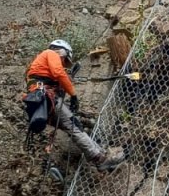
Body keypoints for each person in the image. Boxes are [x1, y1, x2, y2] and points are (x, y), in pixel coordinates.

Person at [25, 39, 125, 171]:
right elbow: (58, 72)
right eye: (65, 60)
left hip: (44, 103)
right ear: (62, 51)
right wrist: (73, 94)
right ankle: (100, 158)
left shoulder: (39, 69)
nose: (63, 64)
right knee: (74, 126)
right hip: (47, 99)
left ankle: (102, 155)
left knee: (74, 126)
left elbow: (57, 79)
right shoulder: (51, 53)